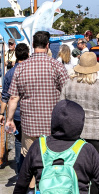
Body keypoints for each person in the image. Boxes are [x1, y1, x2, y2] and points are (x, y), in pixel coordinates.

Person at [61, 52, 99, 194]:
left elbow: (61, 107)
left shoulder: (68, 84)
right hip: (97, 132)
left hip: (74, 132)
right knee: (96, 168)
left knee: (74, 166)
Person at [4, 30, 69, 164]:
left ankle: (33, 185)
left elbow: (13, 98)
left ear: (33, 44)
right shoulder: (57, 66)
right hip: (53, 125)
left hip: (29, 125)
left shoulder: (21, 68)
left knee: (32, 162)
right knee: (52, 161)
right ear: (47, 45)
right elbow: (68, 94)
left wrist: (9, 119)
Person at [0, 43, 29, 172]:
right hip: (30, 111)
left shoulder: (10, 73)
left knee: (18, 141)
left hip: (16, 113)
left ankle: (20, 169)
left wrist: (2, 113)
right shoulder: (31, 70)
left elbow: (5, 95)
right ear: (28, 54)